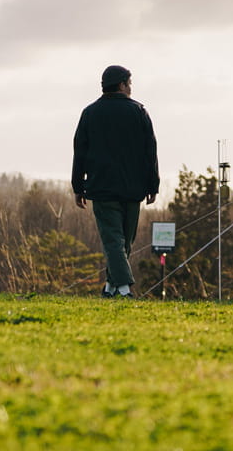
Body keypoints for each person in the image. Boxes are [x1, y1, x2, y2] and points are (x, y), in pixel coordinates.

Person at [72, 65, 159, 298]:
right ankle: (124, 288)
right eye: (129, 83)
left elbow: (79, 152)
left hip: (102, 187)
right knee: (121, 240)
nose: (130, 88)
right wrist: (153, 185)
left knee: (116, 242)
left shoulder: (89, 113)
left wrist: (78, 187)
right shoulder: (139, 112)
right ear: (122, 85)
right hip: (133, 187)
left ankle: (111, 287)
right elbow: (150, 151)